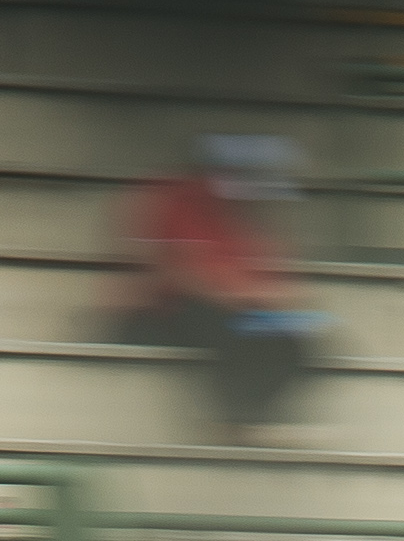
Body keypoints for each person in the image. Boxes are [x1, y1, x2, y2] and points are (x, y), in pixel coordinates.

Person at [118, 137, 326, 437]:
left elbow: (273, 273)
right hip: (175, 307)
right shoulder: (178, 199)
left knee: (301, 332)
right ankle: (233, 417)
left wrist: (274, 298)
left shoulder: (246, 216)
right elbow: (180, 269)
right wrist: (239, 294)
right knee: (243, 333)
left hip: (230, 307)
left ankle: (250, 417)